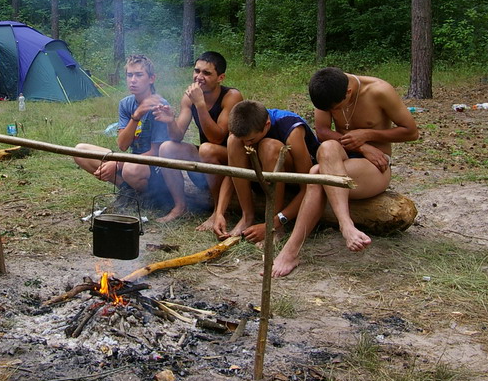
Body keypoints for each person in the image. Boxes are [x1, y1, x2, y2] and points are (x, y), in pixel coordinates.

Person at [271, 67, 419, 277]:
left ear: (348, 92)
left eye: (336, 108)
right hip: (340, 158)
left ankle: (291, 251)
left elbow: (411, 132)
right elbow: (322, 131)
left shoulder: (379, 90)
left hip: (374, 166)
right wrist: (361, 146)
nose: (334, 112)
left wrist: (368, 135)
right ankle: (345, 223)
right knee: (327, 147)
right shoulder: (326, 90)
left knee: (316, 174)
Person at [209, 100, 320, 241]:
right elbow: (232, 174)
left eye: (251, 140)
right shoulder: (245, 126)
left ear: (267, 125)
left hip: (293, 180)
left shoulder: (292, 130)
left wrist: (274, 223)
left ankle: (274, 225)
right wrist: (219, 212)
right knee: (234, 141)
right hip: (262, 175)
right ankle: (247, 216)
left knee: (269, 147)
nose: (246, 144)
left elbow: (307, 187)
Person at [155, 52, 244, 223]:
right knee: (167, 148)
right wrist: (170, 121)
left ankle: (218, 211)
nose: (199, 77)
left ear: (220, 77)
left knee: (207, 149)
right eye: (197, 71)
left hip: (232, 160)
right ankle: (180, 206)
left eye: (207, 73)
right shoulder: (189, 97)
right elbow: (177, 136)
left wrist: (200, 105)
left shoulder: (231, 96)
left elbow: (217, 138)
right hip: (206, 158)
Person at [74, 54, 172, 207]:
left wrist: (118, 164)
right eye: (129, 75)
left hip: (156, 169)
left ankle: (150, 195)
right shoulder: (126, 104)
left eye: (139, 75)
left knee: (130, 169)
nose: (133, 80)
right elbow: (122, 145)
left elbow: (156, 152)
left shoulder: (159, 106)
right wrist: (136, 116)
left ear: (151, 79)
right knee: (81, 150)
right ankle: (128, 191)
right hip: (132, 160)